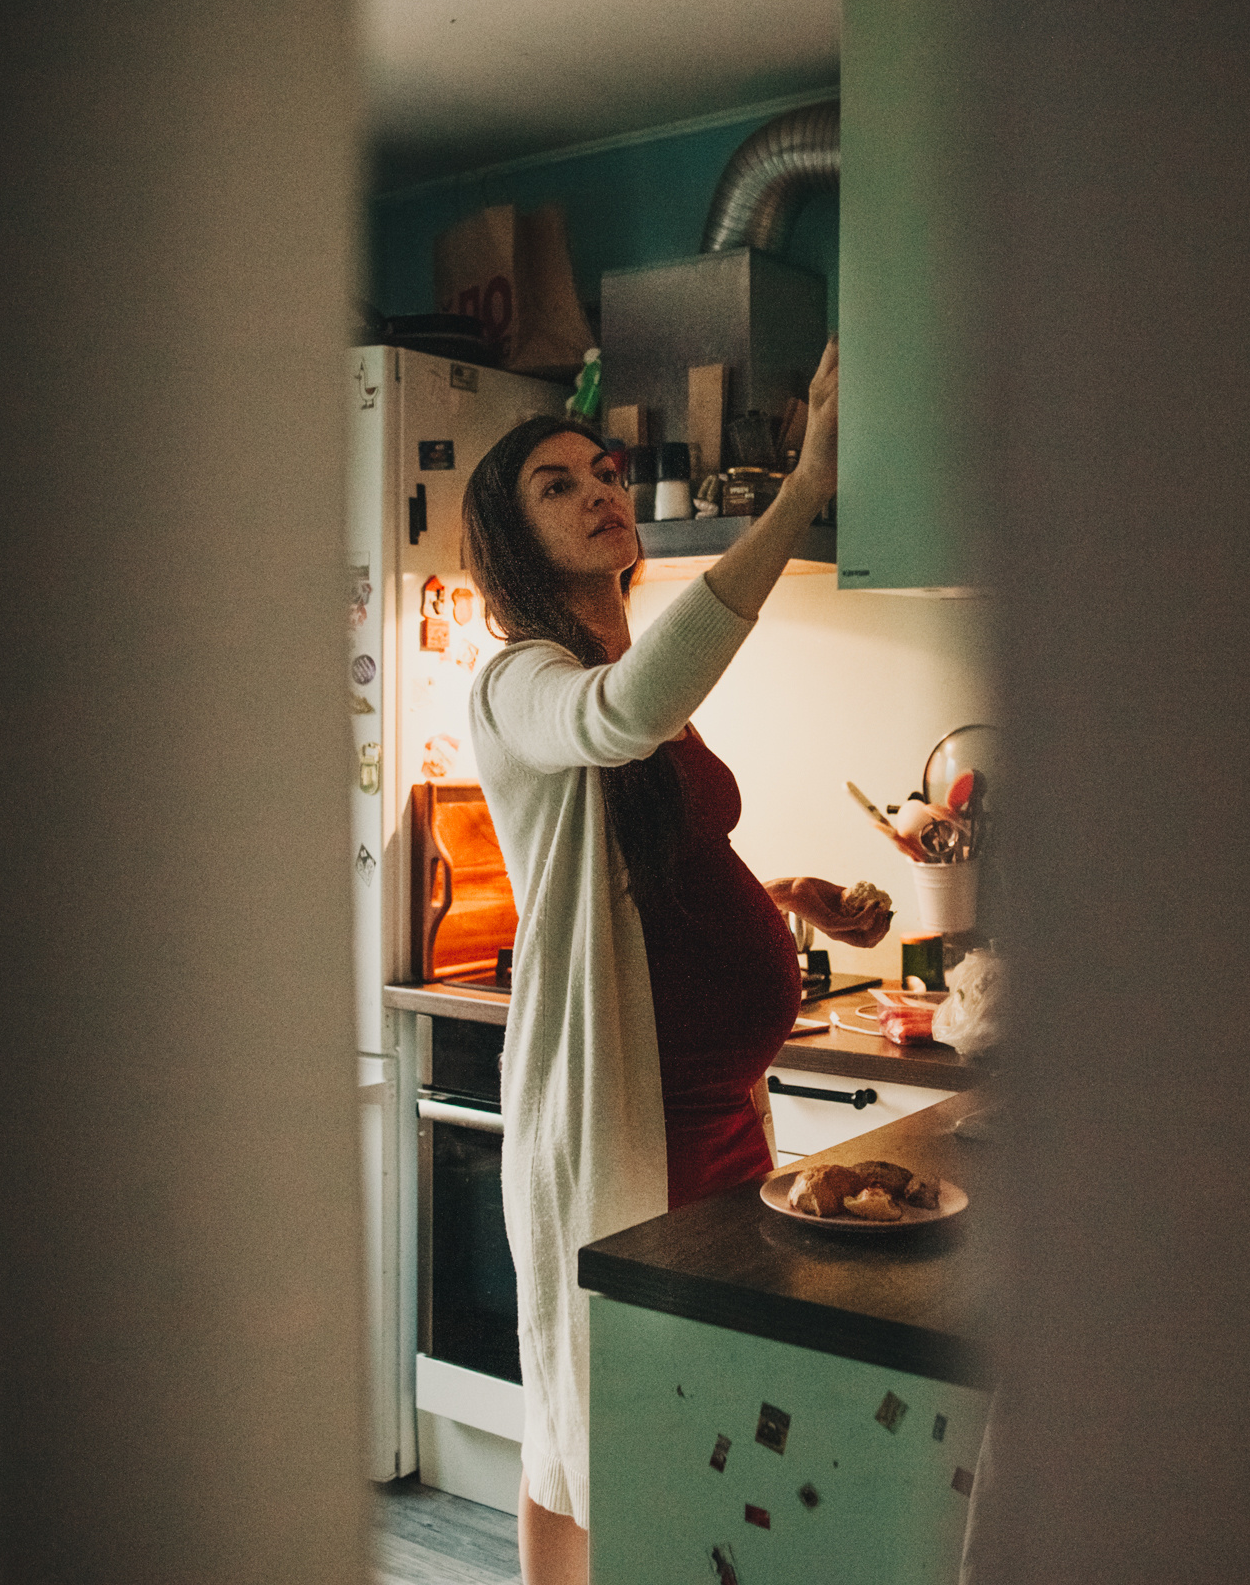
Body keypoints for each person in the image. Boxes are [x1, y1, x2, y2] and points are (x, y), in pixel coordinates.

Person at [463, 340, 889, 1582]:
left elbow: (659, 865)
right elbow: (621, 721)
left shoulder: (635, 671)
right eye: (557, 484)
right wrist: (803, 490)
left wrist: (791, 895)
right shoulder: (517, 685)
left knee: (678, 1423)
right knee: (596, 1428)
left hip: (712, 1120)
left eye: (602, 470)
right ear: (510, 536)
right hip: (617, 1120)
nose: (598, 489)